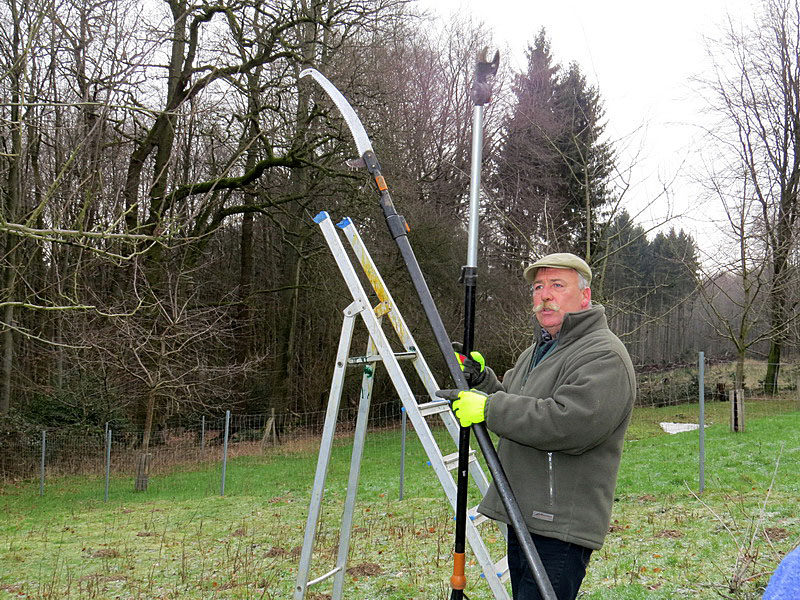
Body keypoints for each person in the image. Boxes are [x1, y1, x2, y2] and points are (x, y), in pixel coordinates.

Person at [438, 253, 636, 600]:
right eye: (538, 287)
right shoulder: (539, 350)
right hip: (526, 513)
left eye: (558, 286)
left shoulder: (603, 354)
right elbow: (516, 405)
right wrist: (484, 383)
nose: (545, 295)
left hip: (559, 525)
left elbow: (568, 423)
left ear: (585, 296)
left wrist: (489, 407)